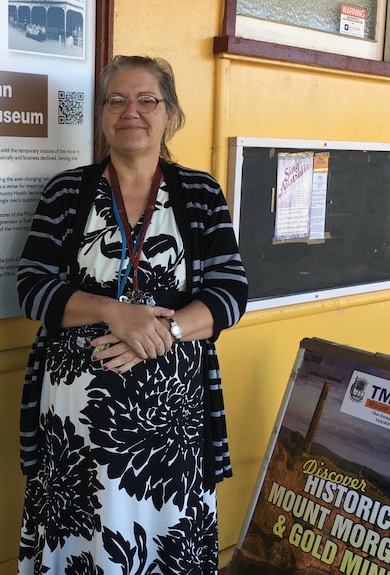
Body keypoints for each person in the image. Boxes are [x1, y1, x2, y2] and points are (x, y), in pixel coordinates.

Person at [16, 55, 248, 574]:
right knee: (83, 546)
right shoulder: (66, 192)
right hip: (75, 429)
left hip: (172, 430)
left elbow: (230, 293)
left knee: (166, 547)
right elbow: (32, 289)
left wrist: (164, 328)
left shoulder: (200, 193)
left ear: (170, 114)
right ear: (101, 115)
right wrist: (114, 312)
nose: (131, 112)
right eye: (116, 100)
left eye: (147, 100)